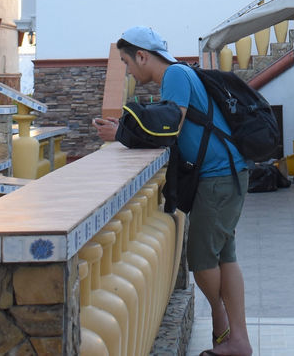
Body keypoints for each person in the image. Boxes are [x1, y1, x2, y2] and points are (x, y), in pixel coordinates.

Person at [94, 25, 252, 356]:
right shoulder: (180, 73)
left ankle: (225, 329)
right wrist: (124, 131)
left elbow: (170, 123)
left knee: (202, 258)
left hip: (219, 177)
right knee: (225, 256)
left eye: (126, 61)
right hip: (227, 174)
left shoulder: (175, 75)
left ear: (142, 55)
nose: (128, 70)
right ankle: (237, 339)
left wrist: (123, 132)